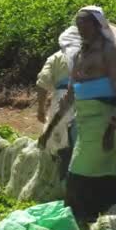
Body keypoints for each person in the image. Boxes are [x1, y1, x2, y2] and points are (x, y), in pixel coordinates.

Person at [39, 7, 116, 223]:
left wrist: (111, 128)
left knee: (86, 171)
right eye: (78, 26)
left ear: (98, 26)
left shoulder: (110, 52)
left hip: (105, 121)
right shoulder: (79, 55)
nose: (81, 30)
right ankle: (86, 219)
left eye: (85, 25)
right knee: (76, 170)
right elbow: (68, 98)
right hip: (84, 122)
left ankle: (97, 217)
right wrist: (49, 131)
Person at [36, 42, 76, 180]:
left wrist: (40, 109)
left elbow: (42, 83)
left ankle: (60, 179)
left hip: (62, 98)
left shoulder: (56, 57)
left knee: (58, 144)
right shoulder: (88, 55)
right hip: (85, 97)